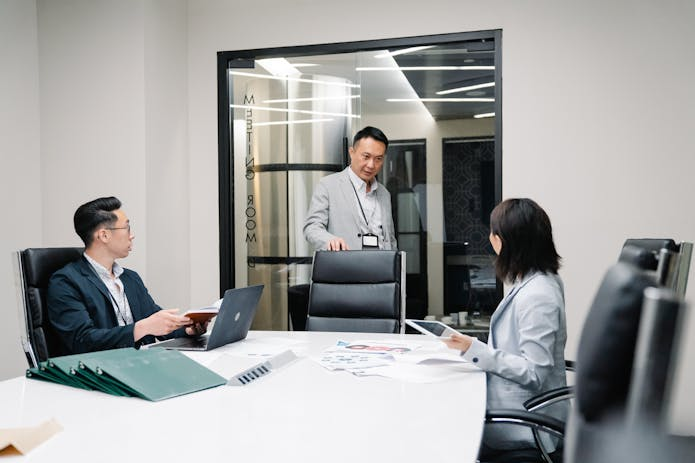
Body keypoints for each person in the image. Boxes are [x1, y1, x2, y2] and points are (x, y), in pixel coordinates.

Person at [444, 198, 568, 454]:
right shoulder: (540, 280)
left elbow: (535, 373)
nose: (491, 238)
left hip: (521, 422)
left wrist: (476, 350)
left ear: (509, 241)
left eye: (494, 232)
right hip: (514, 407)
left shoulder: (538, 295)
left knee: (444, 432)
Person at [47, 196, 207, 354]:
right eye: (127, 228)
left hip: (142, 363)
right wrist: (142, 328)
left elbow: (157, 323)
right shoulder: (66, 282)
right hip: (101, 371)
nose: (132, 235)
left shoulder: (130, 278)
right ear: (104, 235)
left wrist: (188, 330)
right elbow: (82, 341)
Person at [303, 126, 397, 251]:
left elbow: (389, 238)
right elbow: (312, 227)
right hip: (345, 266)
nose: (371, 165)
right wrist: (329, 240)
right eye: (366, 156)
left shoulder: (384, 193)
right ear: (352, 153)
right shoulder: (328, 185)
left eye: (378, 159)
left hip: (381, 267)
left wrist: (395, 266)